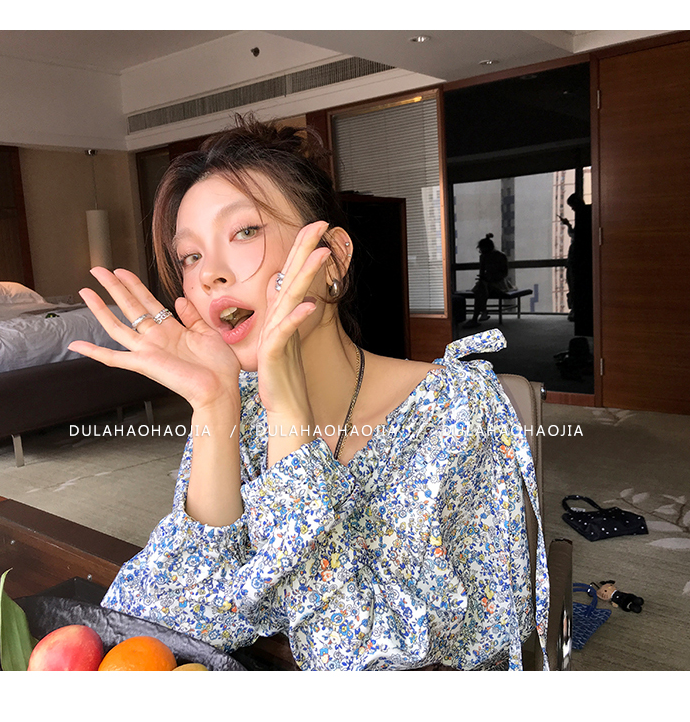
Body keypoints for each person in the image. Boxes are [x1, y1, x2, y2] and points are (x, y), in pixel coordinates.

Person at [68, 114, 548, 671]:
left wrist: (291, 421)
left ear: (334, 259)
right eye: (191, 256)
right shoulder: (238, 409)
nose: (208, 276)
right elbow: (165, 624)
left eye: (244, 232)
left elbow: (359, 663)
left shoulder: (457, 410)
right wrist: (215, 406)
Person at [463, 233, 514, 328]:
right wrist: (484, 278)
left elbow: (504, 274)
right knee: (482, 288)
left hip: (499, 282)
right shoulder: (486, 256)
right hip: (487, 282)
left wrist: (490, 278)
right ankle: (481, 312)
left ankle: (478, 315)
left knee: (480, 290)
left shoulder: (500, 256)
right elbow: (482, 272)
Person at [559, 193, 593, 336]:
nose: (573, 210)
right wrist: (568, 225)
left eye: (572, 207)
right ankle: (575, 311)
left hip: (576, 261)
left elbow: (576, 236)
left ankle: (576, 311)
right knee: (573, 286)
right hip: (576, 260)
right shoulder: (587, 215)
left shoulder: (583, 216)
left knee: (574, 286)